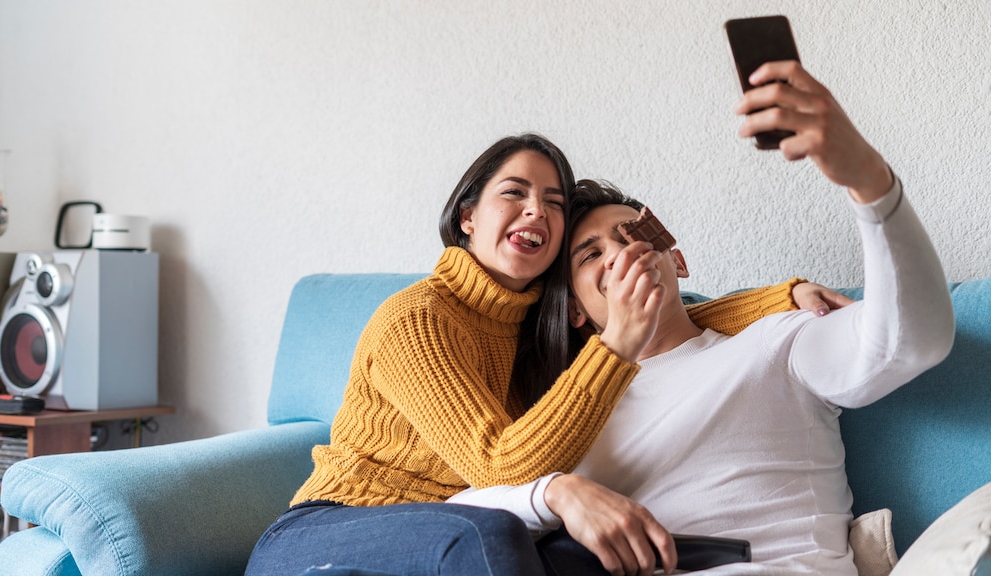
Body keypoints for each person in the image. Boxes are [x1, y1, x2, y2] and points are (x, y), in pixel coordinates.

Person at [245, 132, 837, 576]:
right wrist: (564, 490)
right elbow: (497, 467)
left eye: (553, 202)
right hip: (330, 531)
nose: (538, 210)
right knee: (491, 537)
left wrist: (775, 299)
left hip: (455, 531)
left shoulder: (534, 324)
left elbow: (673, 322)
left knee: (592, 556)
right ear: (468, 217)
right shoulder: (418, 319)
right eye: (515, 193)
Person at [448, 61, 956, 576]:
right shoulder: (564, 418)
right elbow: (457, 519)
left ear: (677, 261)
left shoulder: (774, 345)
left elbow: (911, 341)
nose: (619, 258)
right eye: (590, 255)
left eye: (632, 238)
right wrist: (556, 493)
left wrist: (870, 183)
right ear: (575, 311)